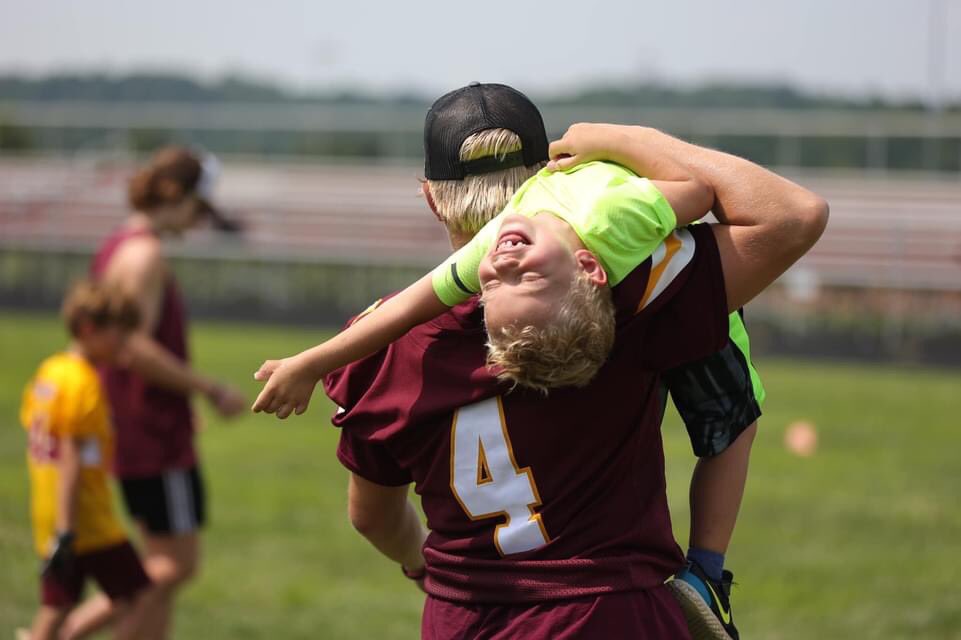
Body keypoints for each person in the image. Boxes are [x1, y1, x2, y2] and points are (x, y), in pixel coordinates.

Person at [325, 86, 827, 639]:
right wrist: (631, 140)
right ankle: (709, 570)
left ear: (430, 197)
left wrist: (423, 567)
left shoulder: (379, 344)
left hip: (461, 618)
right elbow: (791, 215)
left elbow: (370, 514)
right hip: (609, 611)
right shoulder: (624, 291)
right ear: (554, 175)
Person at [63, 147, 247, 640]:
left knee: (161, 566)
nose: (198, 220)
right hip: (150, 429)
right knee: (175, 565)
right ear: (175, 195)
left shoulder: (119, 244)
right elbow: (135, 349)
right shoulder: (145, 255)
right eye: (197, 207)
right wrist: (210, 389)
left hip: (135, 422)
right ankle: (59, 631)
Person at [19, 280, 155, 640]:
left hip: (49, 515)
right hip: (86, 520)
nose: (124, 346)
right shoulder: (84, 383)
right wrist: (67, 532)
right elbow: (70, 461)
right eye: (119, 336)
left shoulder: (50, 372)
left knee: (57, 605)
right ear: (89, 329)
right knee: (139, 594)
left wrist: (59, 529)